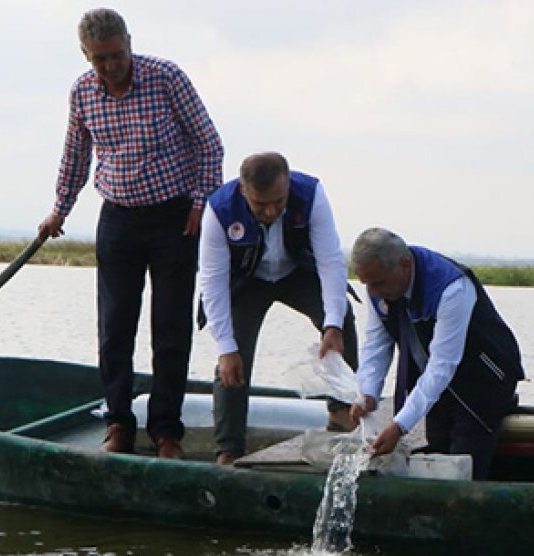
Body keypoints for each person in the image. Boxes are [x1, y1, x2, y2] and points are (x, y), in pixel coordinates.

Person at [37, 8, 224, 459]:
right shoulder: (82, 92)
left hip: (175, 217)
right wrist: (58, 209)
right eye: (99, 59)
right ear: (85, 55)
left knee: (171, 328)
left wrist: (203, 201)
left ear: (129, 43)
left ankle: (166, 431)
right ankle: (118, 421)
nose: (109, 66)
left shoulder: (165, 77)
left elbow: (208, 142)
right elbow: (75, 156)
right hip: (118, 218)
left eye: (116, 55)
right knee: (115, 326)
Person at [199, 152, 359, 466]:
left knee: (341, 319)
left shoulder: (311, 194)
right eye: (261, 205)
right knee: (233, 357)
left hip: (297, 270)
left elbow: (330, 263)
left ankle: (341, 411)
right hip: (246, 279)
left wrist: (333, 324)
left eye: (279, 201)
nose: (271, 211)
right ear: (244, 191)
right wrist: (225, 347)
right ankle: (229, 447)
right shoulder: (218, 210)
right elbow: (212, 282)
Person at [349, 228, 525, 480]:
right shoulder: (378, 285)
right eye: (367, 285)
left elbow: (442, 365)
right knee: (438, 447)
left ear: (405, 264)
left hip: (484, 379)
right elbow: (377, 344)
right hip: (438, 383)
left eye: (378, 283)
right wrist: (367, 393)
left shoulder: (451, 288)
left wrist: (399, 425)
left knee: (465, 459)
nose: (374, 293)